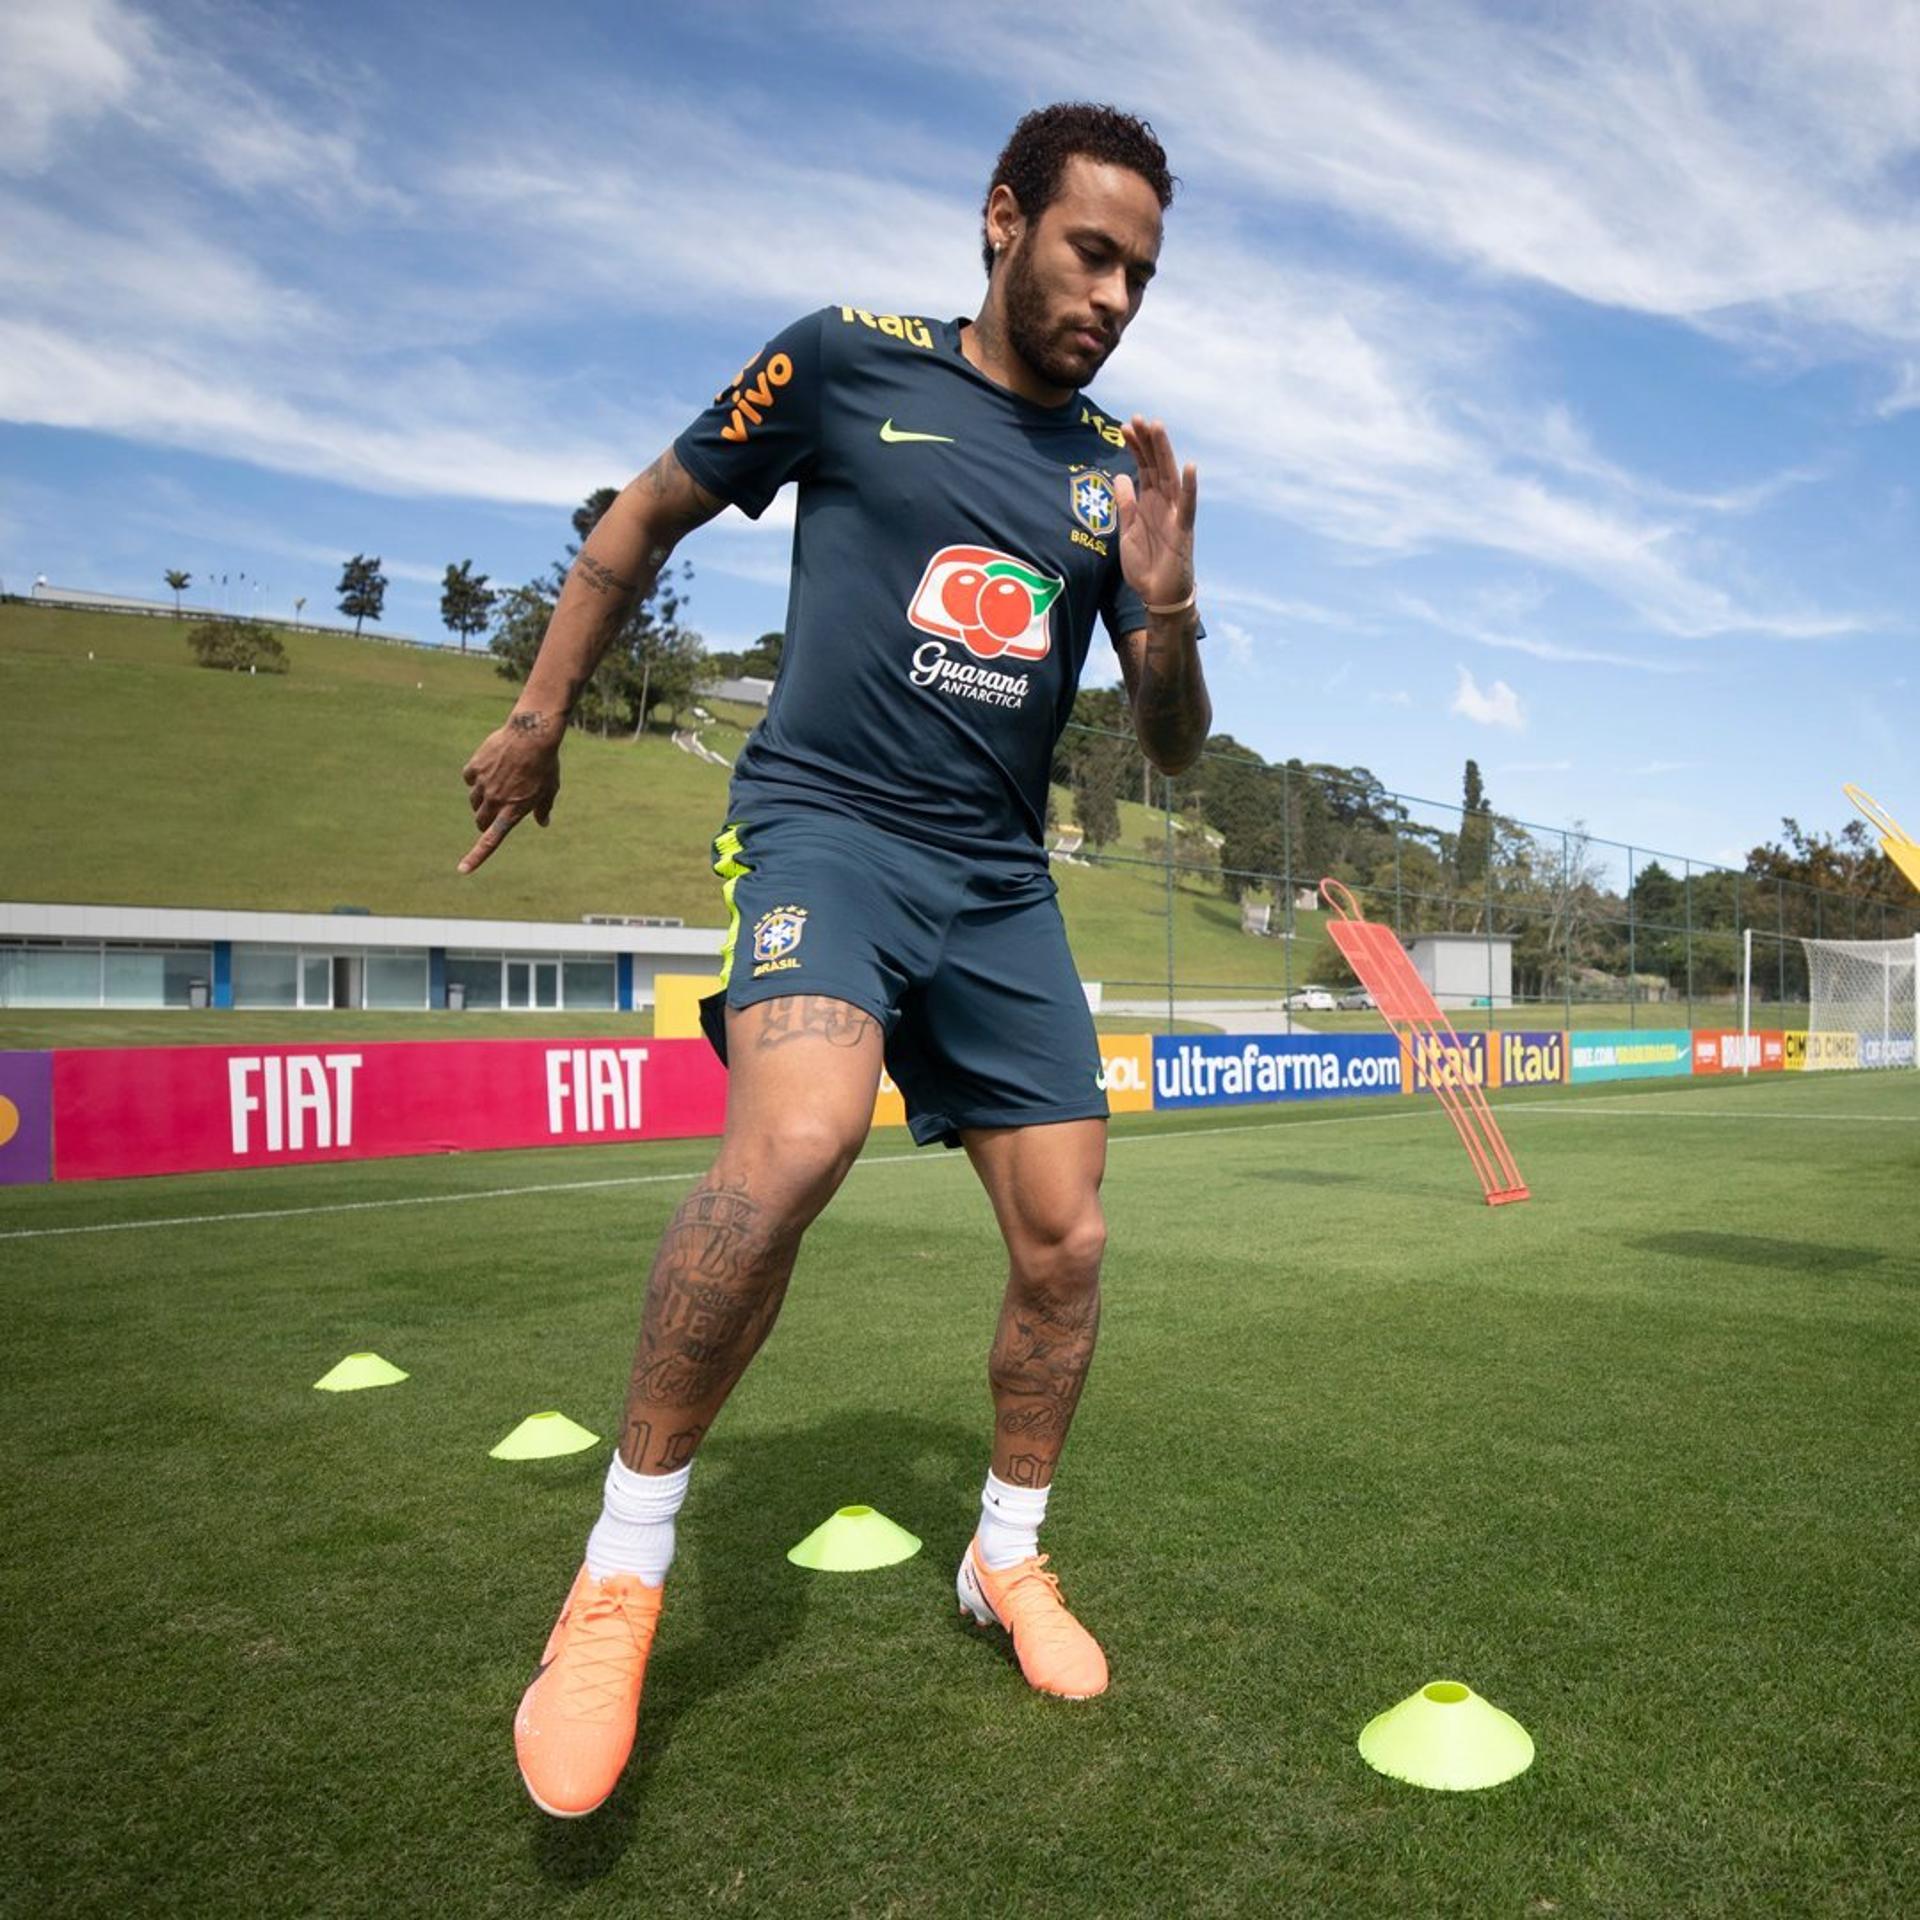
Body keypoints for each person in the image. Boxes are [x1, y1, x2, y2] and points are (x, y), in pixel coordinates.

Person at [458, 101, 1211, 1820]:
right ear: (1003, 221)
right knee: (795, 1141)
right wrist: (539, 712)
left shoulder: (1116, 480)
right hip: (826, 829)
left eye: (1142, 275)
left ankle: (1003, 1557)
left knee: (1070, 1238)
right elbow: (644, 516)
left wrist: (1162, 604)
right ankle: (622, 1574)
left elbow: (1169, 748)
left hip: (996, 878)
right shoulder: (840, 360)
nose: (1113, 295)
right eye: (1091, 251)